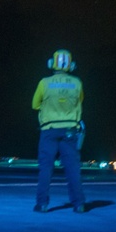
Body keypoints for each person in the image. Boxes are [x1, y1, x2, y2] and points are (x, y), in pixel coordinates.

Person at [32, 49, 86, 213]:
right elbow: (80, 101)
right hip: (70, 130)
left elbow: (35, 105)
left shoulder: (44, 82)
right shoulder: (77, 83)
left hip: (49, 130)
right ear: (71, 65)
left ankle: (42, 204)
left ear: (51, 63)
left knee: (46, 168)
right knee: (72, 169)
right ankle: (79, 204)